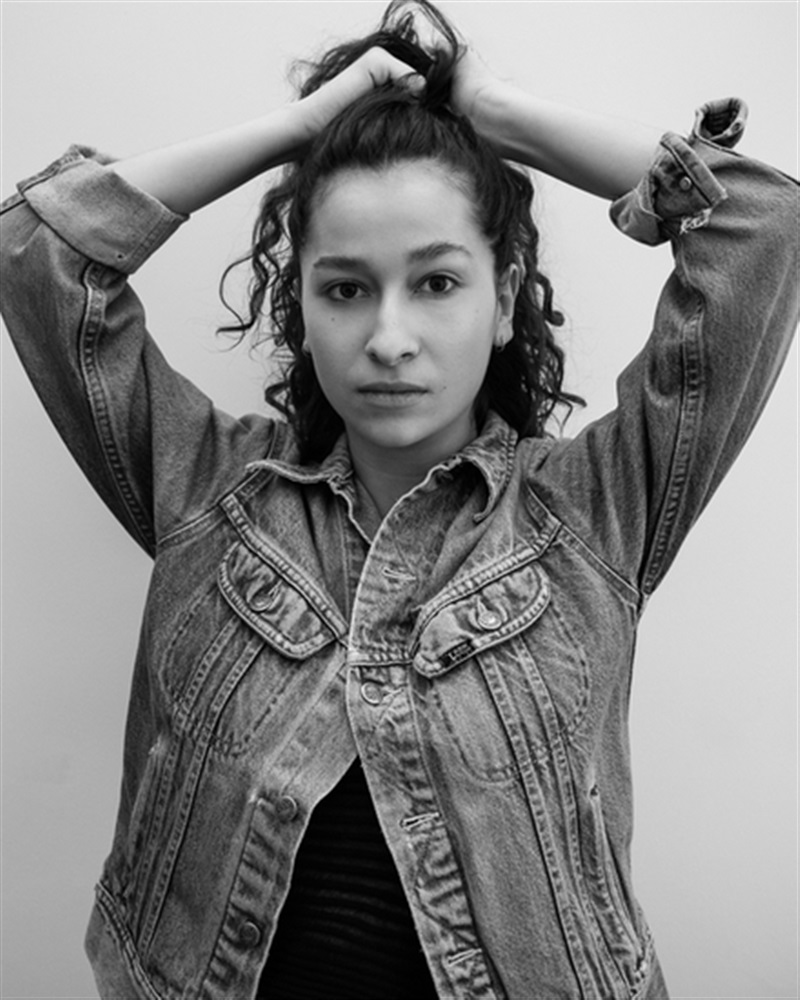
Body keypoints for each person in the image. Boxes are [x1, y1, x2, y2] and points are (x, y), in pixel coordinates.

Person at [1, 1, 797, 997]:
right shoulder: (209, 488)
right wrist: (302, 131)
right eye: (344, 288)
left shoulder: (596, 510)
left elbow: (757, 224)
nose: (388, 338)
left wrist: (492, 113)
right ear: (302, 305)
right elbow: (39, 251)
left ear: (502, 299)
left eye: (436, 283)